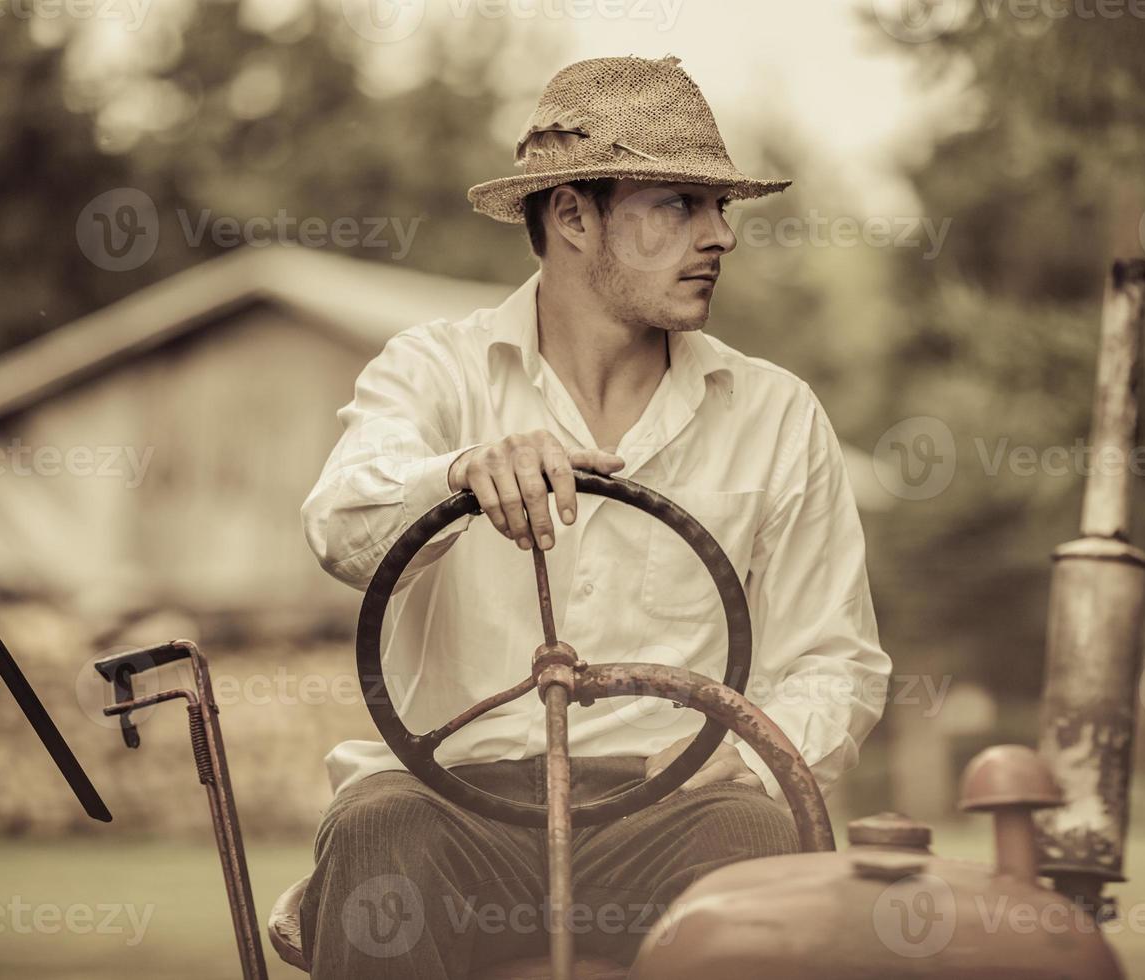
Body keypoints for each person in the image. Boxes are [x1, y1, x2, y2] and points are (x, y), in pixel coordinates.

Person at [298, 54, 891, 979]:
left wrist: (743, 759)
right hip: (452, 798)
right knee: (379, 838)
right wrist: (462, 474)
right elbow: (340, 525)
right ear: (573, 214)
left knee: (762, 854)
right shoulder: (435, 371)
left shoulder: (777, 413)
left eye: (721, 207)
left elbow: (834, 660)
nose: (721, 236)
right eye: (679, 205)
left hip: (678, 802)